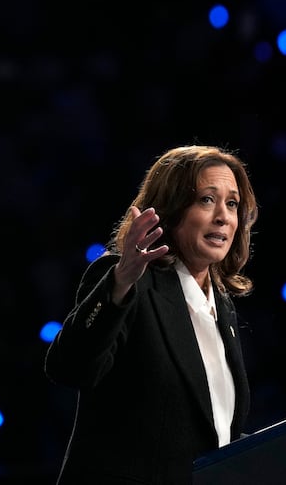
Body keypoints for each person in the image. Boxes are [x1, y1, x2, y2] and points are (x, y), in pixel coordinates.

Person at [45, 144, 260, 485]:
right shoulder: (127, 280)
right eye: (207, 199)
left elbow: (213, 430)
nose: (223, 216)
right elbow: (69, 367)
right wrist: (119, 282)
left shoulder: (221, 306)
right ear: (170, 211)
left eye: (232, 204)